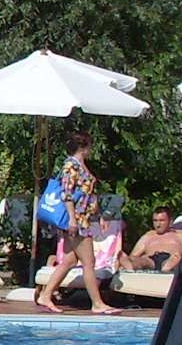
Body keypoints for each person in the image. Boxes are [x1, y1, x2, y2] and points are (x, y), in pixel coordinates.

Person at [38, 131, 122, 315]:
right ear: (84, 147)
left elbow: (87, 196)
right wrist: (72, 220)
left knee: (69, 261)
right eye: (89, 146)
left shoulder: (79, 165)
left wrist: (98, 215)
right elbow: (67, 194)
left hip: (82, 218)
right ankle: (97, 303)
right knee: (89, 262)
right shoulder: (71, 165)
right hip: (78, 221)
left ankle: (46, 295)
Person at [124, 206, 182, 272]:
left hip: (171, 258)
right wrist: (132, 259)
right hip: (151, 261)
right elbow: (133, 255)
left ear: (170, 221)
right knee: (141, 260)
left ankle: (167, 266)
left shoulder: (180, 236)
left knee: (176, 257)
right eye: (155, 221)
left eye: (161, 220)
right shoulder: (147, 237)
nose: (158, 224)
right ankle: (129, 264)